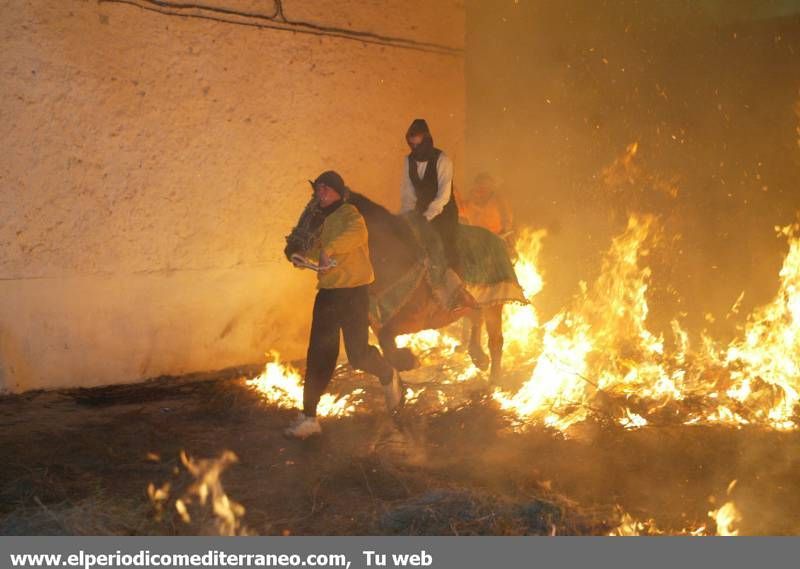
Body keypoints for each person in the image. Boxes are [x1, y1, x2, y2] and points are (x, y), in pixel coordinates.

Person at [285, 171, 404, 439]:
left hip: (353, 293)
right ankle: (309, 417)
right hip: (328, 294)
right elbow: (321, 248)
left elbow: (354, 236)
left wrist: (328, 251)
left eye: (325, 189)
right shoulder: (325, 219)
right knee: (319, 354)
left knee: (358, 355)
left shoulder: (352, 215)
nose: (320, 194)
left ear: (338, 191)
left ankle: (388, 374)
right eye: (318, 190)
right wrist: (303, 256)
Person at [399, 119, 460, 272]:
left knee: (446, 246)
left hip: (443, 212)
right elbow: (408, 192)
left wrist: (426, 218)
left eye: (418, 144)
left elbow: (443, 196)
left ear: (426, 140)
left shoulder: (443, 160)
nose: (415, 148)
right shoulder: (409, 160)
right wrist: (408, 215)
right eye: (412, 145)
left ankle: (456, 279)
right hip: (420, 211)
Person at [460, 173, 513, 238]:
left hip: (496, 237)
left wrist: (506, 228)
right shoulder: (469, 204)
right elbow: (458, 210)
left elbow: (506, 216)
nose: (481, 191)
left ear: (491, 189)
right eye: (479, 187)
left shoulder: (497, 200)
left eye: (485, 188)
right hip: (478, 239)